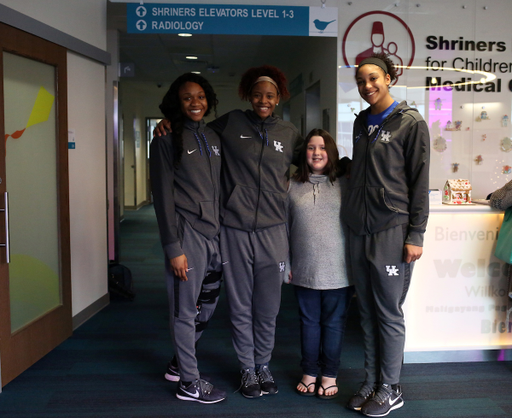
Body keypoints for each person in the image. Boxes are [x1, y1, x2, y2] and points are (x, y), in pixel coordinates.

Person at [155, 65, 303, 399]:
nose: (263, 100)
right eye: (257, 94)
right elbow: (188, 129)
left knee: (265, 308)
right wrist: (166, 122)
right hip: (230, 230)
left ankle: (261, 365)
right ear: (247, 96)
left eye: (270, 95)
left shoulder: (287, 132)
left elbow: (312, 160)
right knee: (237, 306)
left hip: (266, 231)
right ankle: (242, 371)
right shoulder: (228, 124)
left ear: (278, 98)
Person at [342, 53, 430, 417]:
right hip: (359, 229)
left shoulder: (411, 123)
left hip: (392, 230)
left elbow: (419, 183)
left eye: (374, 78)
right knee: (365, 311)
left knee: (388, 313)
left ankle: (391, 387)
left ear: (390, 78)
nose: (367, 86)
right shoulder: (361, 122)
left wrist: (416, 234)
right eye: (362, 81)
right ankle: (371, 381)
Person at [150, 73, 226, 404]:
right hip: (187, 236)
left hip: (215, 234)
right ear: (176, 103)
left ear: (208, 100)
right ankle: (189, 383)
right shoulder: (166, 141)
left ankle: (180, 362)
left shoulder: (214, 136)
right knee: (184, 309)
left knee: (207, 305)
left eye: (200, 96)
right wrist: (173, 248)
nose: (195, 102)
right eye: (186, 98)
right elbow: (163, 197)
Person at [287, 128, 354, 400]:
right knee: (308, 323)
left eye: (323, 148)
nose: (317, 153)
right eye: (312, 148)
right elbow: (283, 228)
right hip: (304, 268)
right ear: (304, 153)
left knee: (334, 323)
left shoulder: (346, 183)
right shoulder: (290, 185)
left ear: (332, 153)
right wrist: (287, 262)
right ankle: (310, 372)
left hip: (340, 269)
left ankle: (330, 374)